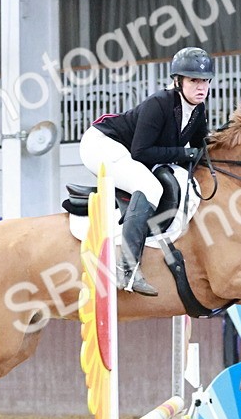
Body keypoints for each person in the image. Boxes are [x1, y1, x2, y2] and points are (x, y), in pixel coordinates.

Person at [79, 47, 214, 296]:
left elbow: (200, 148)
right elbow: (142, 152)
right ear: (178, 81)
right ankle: (127, 268)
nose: (201, 87)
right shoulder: (160, 103)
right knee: (150, 186)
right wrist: (185, 154)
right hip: (102, 143)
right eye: (194, 80)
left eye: (205, 81)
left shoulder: (198, 111)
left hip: (129, 151)